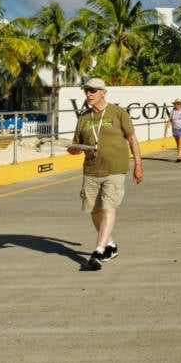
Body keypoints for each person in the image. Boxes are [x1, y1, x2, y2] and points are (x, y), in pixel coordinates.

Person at [66, 78, 143, 270]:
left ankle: (99, 251)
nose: (88, 94)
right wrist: (73, 150)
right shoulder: (83, 118)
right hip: (91, 170)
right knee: (94, 210)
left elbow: (132, 139)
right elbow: (76, 144)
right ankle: (110, 245)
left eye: (92, 91)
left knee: (108, 207)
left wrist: (138, 164)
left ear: (103, 92)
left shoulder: (118, 113)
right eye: (86, 91)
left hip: (115, 169)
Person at [165, 98, 181, 162]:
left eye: (178, 104)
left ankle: (179, 156)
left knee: (180, 141)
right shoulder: (173, 111)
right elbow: (170, 120)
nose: (177, 105)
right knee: (177, 143)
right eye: (176, 104)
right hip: (175, 128)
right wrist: (166, 129)